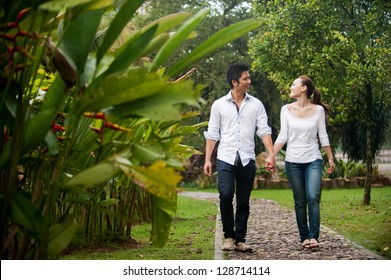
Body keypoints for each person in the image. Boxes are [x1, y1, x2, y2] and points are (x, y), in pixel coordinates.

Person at [203, 61, 275, 252]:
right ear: (235, 82)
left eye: (248, 77)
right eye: (245, 78)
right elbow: (212, 134)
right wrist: (207, 159)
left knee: (243, 200)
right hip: (225, 157)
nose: (249, 81)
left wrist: (271, 154)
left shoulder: (256, 105)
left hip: (247, 158)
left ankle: (240, 239)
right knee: (226, 195)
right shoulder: (219, 105)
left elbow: (264, 131)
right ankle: (228, 236)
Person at [273, 76, 335, 249]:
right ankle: (304, 237)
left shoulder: (318, 110)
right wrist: (271, 155)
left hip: (313, 159)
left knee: (313, 197)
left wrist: (330, 158)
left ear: (303, 88)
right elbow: (283, 136)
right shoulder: (285, 109)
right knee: (300, 201)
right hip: (292, 161)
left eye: (294, 84)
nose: (290, 87)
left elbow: (322, 135)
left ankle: (314, 237)